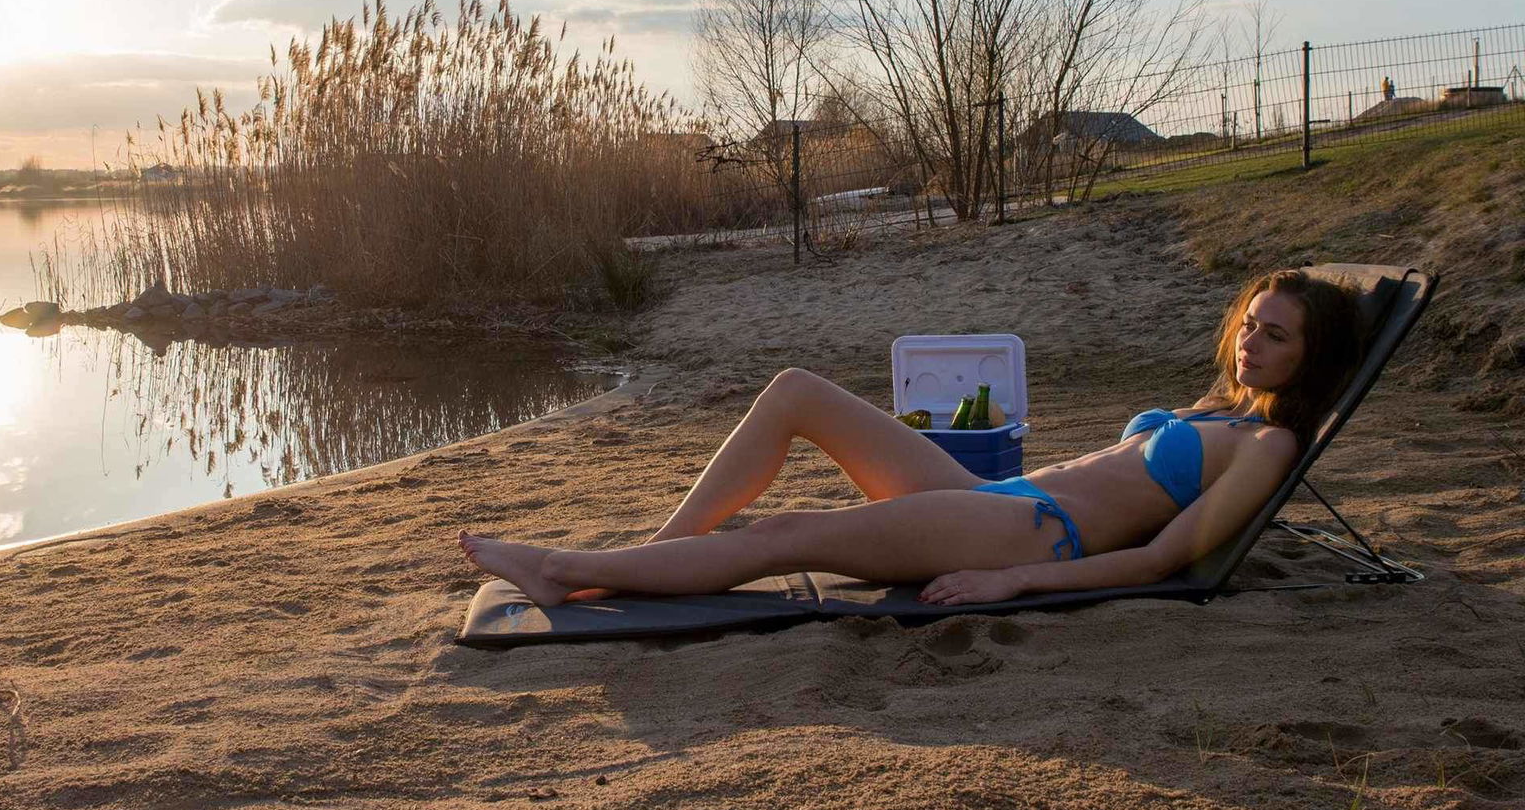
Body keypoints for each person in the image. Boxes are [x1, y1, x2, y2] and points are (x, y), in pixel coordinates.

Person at [460, 269, 1364, 610]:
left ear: (1310, 354)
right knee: (794, 392)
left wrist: (1015, 578)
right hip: (999, 504)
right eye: (1251, 322)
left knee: (780, 537)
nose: (1252, 342)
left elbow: (1166, 558)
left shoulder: (1269, 448)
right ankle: (655, 556)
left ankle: (563, 568)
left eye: (1277, 335)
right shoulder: (1219, 411)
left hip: (1024, 534)